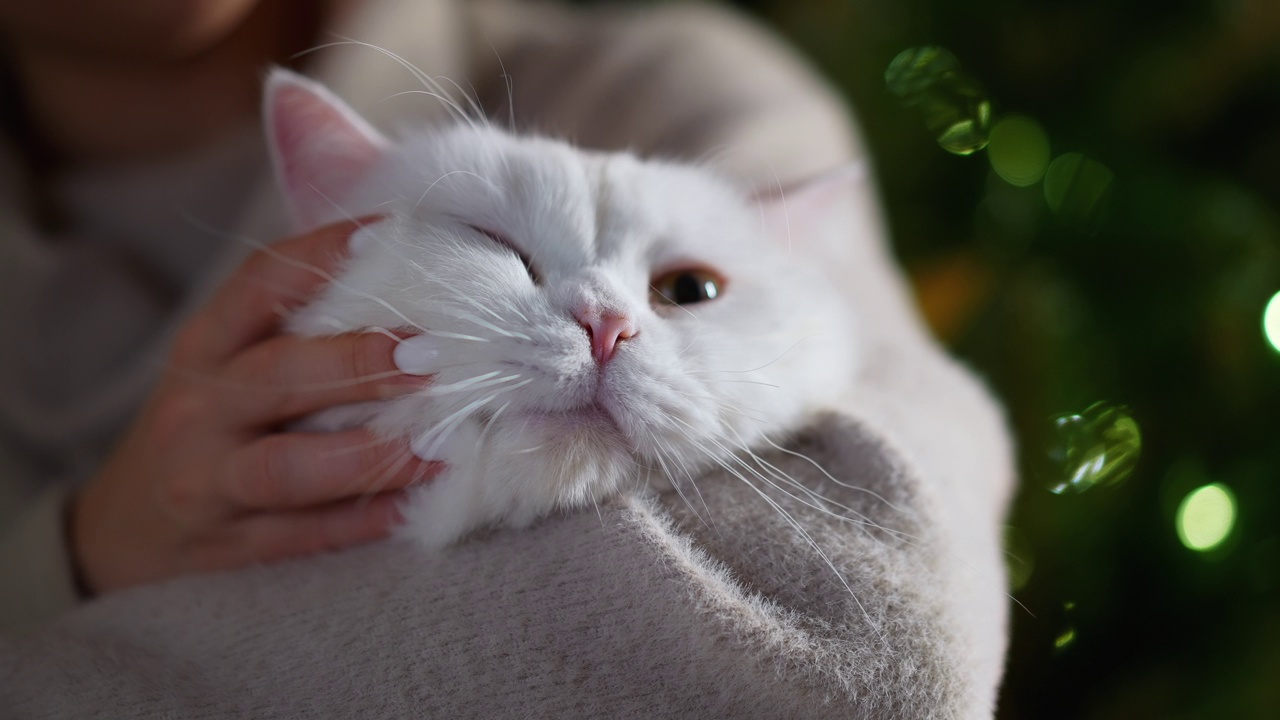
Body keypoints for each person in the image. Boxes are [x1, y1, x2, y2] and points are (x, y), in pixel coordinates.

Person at [0, 0, 858, 629]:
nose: (608, 319)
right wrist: (69, 562)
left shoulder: (696, 86)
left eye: (689, 291)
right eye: (503, 248)